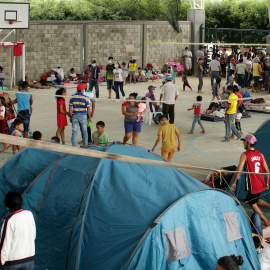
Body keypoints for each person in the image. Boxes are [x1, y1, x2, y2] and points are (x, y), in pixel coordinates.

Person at [231, 134, 270, 226]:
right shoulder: (260, 154)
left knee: (252, 203)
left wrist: (234, 183)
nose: (243, 143)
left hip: (253, 185)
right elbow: (267, 171)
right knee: (257, 200)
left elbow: (239, 170)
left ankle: (266, 222)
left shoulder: (245, 155)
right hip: (260, 183)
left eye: (244, 141)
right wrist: (267, 182)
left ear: (248, 143)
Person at [0, 191, 36, 270]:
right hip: (29, 259)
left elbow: (4, 244)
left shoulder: (9, 220)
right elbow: (33, 236)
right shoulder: (29, 214)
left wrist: (1, 261)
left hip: (13, 263)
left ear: (7, 205)